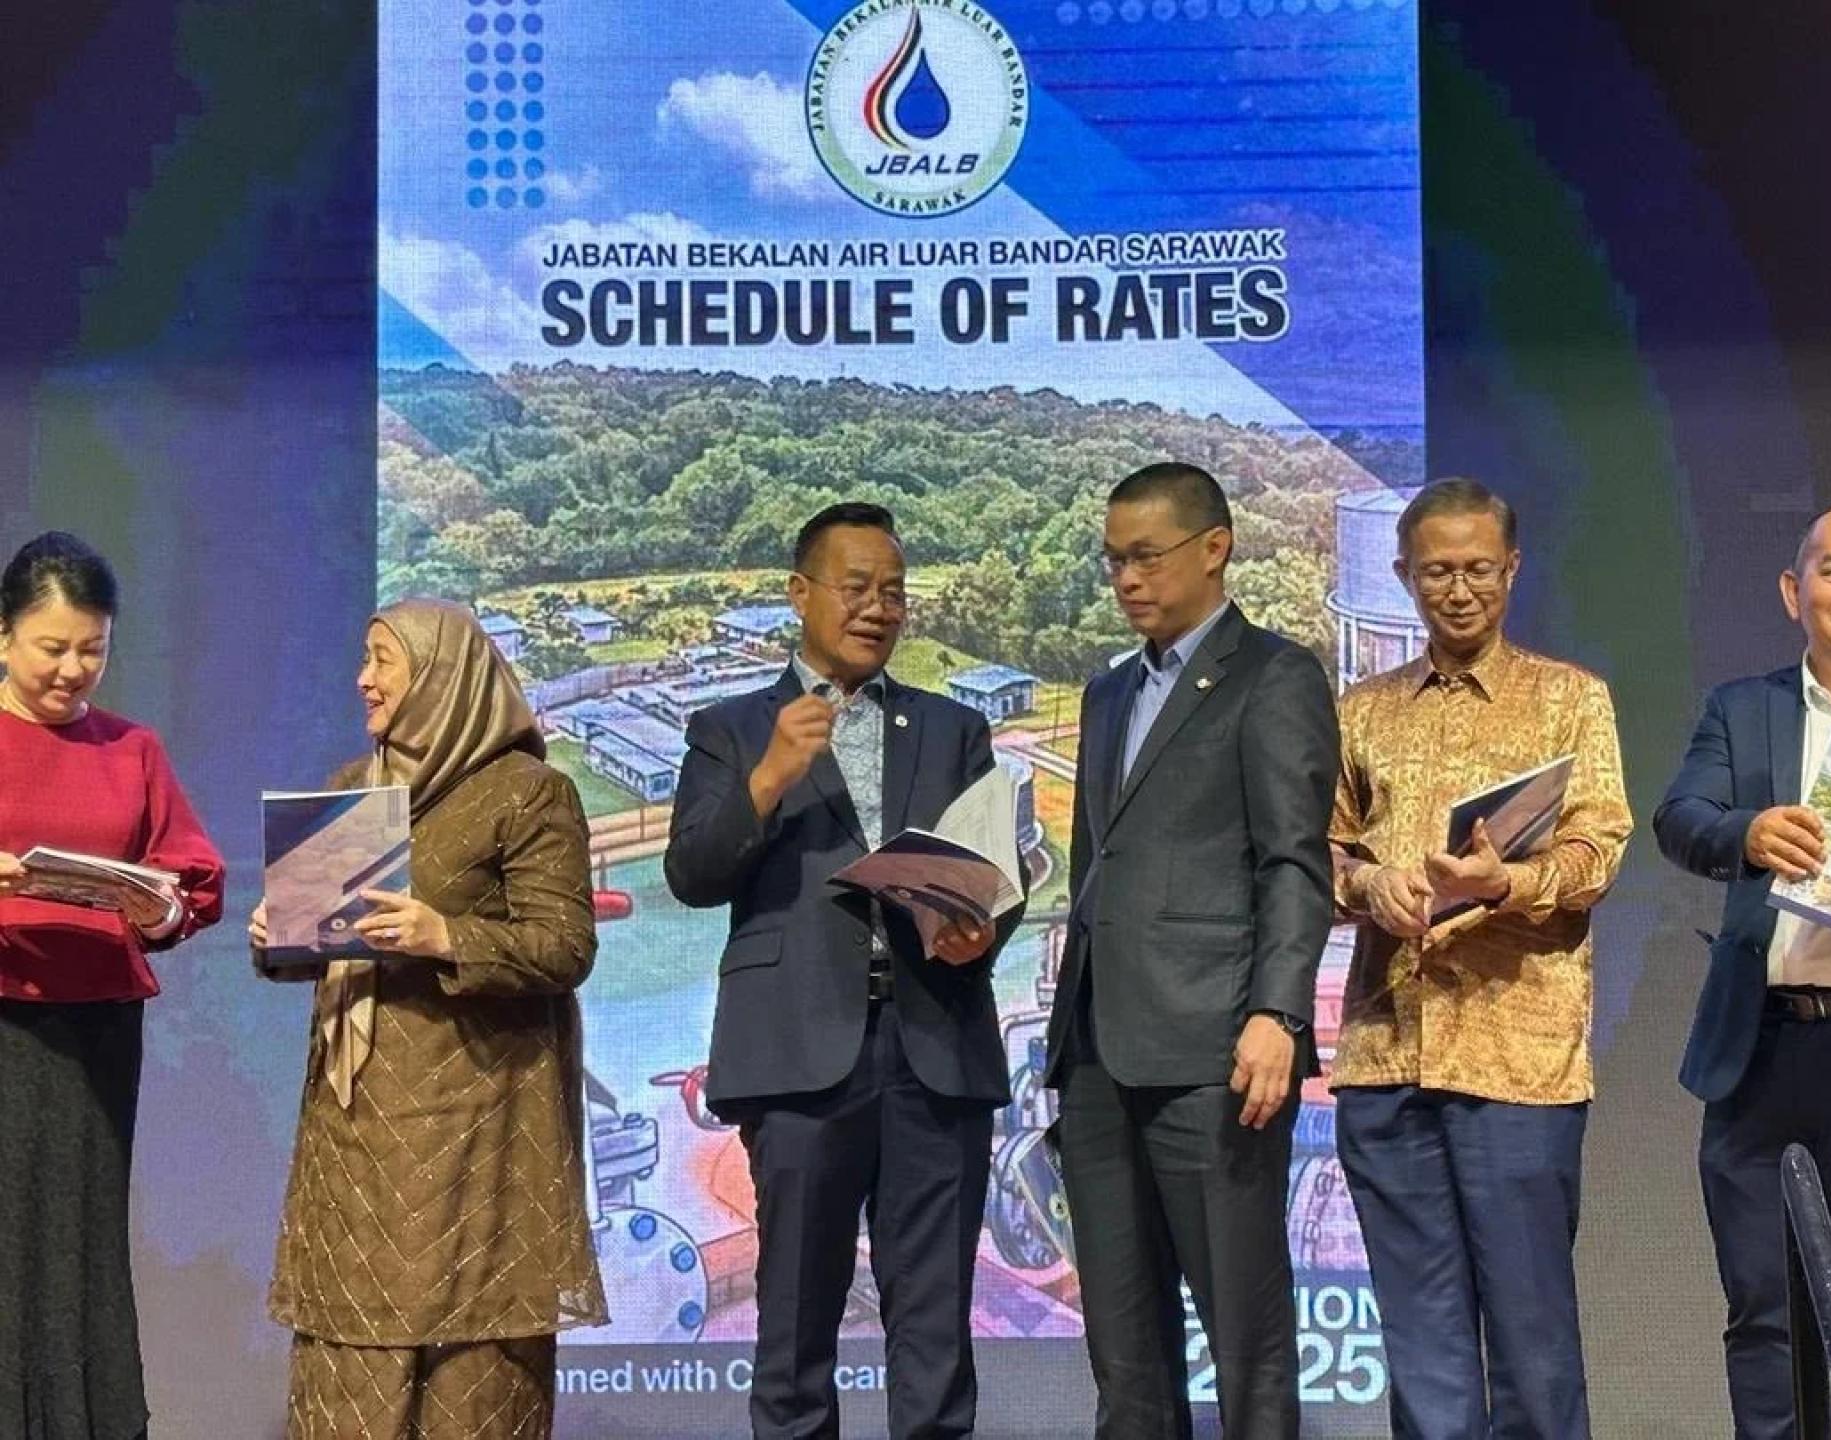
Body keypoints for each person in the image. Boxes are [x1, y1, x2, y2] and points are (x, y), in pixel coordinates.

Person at [665, 502, 1024, 1439]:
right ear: (800, 595)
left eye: (894, 592)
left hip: (934, 1049)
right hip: (795, 1059)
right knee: (792, 1331)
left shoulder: (952, 729)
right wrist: (770, 774)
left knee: (935, 1331)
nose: (878, 608)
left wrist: (984, 925)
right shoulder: (730, 727)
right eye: (856, 587)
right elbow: (693, 874)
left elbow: (998, 872)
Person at [251, 598, 606, 1440]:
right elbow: (311, 949)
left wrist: (443, 934)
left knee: (474, 1382)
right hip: (358, 1134)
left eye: (383, 660)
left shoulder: (527, 795)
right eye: (364, 658)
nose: (363, 679)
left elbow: (564, 946)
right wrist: (276, 935)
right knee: (349, 1384)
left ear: (443, 679)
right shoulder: (354, 792)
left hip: (478, 1134)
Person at [1326, 479, 1632, 1438]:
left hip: (1519, 1061)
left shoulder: (1568, 700)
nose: (1458, 591)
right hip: (1387, 1052)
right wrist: (1369, 885)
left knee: (1534, 1346)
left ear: (1512, 569)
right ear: (1404, 576)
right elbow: (1319, 849)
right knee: (1424, 1354)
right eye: (1436, 572)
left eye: (1477, 570)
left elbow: (1600, 852)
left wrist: (1506, 883)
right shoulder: (1362, 710)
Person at [1046, 462, 1338, 1440]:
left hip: (1215, 1055)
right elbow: (1097, 871)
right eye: (1113, 561)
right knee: (1123, 1354)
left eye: (1146, 556)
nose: (1127, 578)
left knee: (1244, 1337)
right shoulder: (1105, 696)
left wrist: (1278, 1012)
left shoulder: (1275, 677)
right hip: (1096, 1058)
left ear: (1215, 548)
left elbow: (1296, 865)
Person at [1654, 503, 1831, 1438]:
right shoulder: (1746, 707)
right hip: (1757, 1049)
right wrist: (1749, 833)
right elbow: (1680, 819)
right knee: (1761, 1318)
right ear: (1792, 591)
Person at [0, 531, 225, 1440]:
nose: (72, 669)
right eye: (52, 647)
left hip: (94, 1026)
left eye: (92, 648)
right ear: (4, 637)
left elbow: (191, 882)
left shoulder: (131, 748)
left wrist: (157, 910)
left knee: (78, 1238)